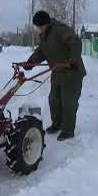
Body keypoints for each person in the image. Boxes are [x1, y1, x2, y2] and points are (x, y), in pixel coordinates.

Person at [24, 11, 86, 141]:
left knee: (68, 102)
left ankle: (68, 130)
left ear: (46, 23)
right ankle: (57, 125)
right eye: (37, 27)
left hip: (72, 73)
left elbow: (75, 43)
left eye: (40, 26)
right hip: (58, 73)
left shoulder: (60, 30)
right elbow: (41, 52)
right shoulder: (44, 36)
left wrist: (73, 61)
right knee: (54, 100)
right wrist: (30, 62)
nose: (39, 29)